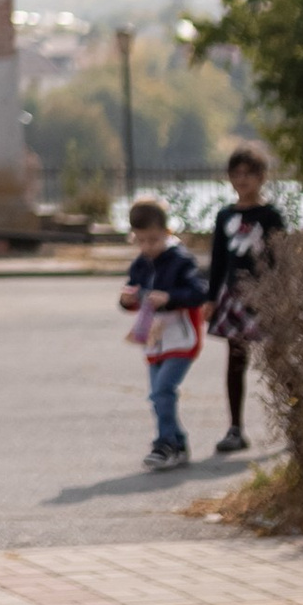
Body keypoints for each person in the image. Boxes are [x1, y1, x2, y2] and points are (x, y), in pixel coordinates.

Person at [205, 144, 286, 456]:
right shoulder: (225, 215)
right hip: (232, 297)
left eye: (249, 173)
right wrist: (211, 298)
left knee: (278, 360)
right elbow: (218, 260)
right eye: (236, 173)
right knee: (235, 361)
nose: (242, 179)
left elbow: (280, 256)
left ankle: (296, 425)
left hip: (264, 294)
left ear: (262, 177)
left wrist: (279, 295)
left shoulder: (270, 215)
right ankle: (235, 428)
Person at [122, 194, 207, 468]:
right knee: (158, 394)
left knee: (163, 390)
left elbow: (197, 293)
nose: (148, 247)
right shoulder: (140, 264)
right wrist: (127, 300)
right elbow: (133, 294)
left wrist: (169, 297)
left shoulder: (180, 260)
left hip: (181, 337)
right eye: (141, 240)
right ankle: (178, 442)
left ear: (167, 233)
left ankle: (165, 443)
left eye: (153, 240)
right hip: (154, 339)